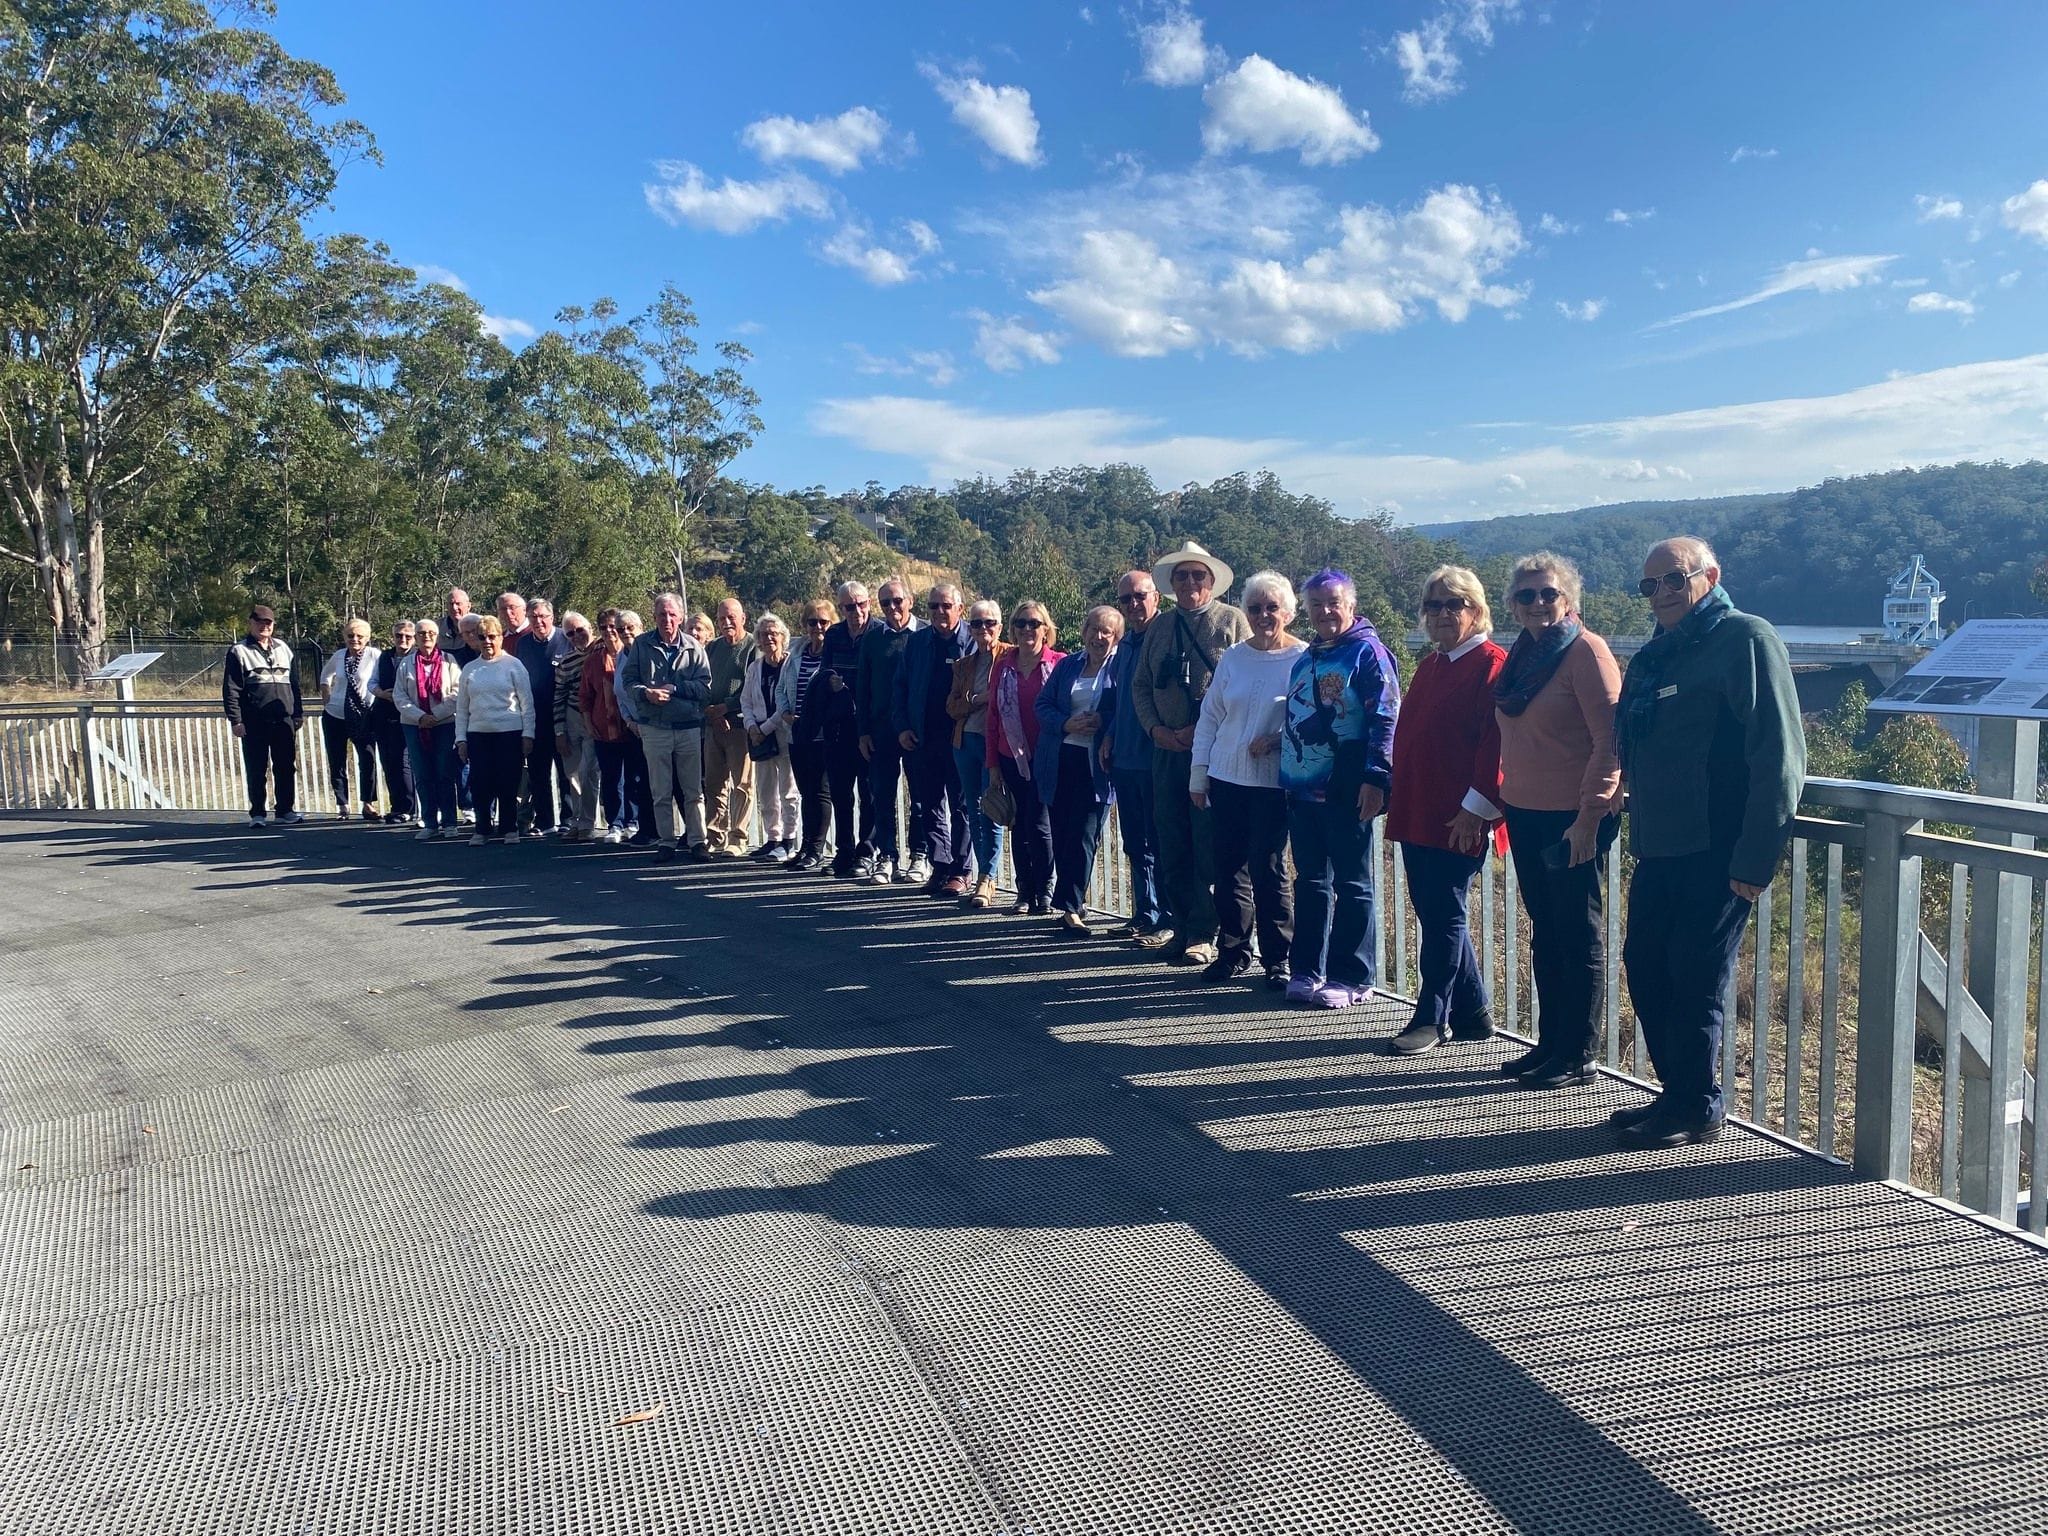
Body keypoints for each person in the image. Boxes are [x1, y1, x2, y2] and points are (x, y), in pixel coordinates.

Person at [1615, 537, 1804, 1149]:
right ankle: (1678, 1094)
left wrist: (1756, 856)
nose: (1662, 594)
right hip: (1660, 844)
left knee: (1695, 978)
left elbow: (1778, 754)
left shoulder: (1745, 638)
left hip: (1717, 846)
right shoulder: (1660, 655)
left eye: (1675, 580)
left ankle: (1694, 1105)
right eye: (1651, 586)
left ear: (1710, 575)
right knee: (1645, 966)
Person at [1491, 553, 1623, 1090]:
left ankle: (1579, 1052)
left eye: (1549, 593)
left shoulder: (1586, 652)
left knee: (1577, 932)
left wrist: (1590, 816)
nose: (1539, 603)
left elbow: (1611, 741)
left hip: (1574, 816)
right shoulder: (1523, 657)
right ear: (1514, 606)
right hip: (1525, 811)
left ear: (1568, 599)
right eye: (1527, 596)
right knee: (1546, 933)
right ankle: (1552, 1044)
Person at [1385, 567, 1508, 1055]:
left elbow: (1495, 744)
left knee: (1443, 913)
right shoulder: (1436, 663)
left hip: (1459, 816)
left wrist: (1476, 810)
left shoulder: (1490, 664)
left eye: (1452, 604)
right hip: (1419, 805)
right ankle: (1474, 1012)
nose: (1440, 614)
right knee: (1439, 911)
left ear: (1476, 610)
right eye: (1433, 605)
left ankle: (1431, 1016)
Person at [1280, 569, 1400, 1009]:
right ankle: (1307, 969)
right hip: (1302, 789)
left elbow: (1386, 716)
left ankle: (1353, 976)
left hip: (1347, 785)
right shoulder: (1307, 656)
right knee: (1310, 880)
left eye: (1334, 603)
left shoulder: (1367, 653)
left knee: (1352, 882)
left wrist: (1376, 778)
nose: (1326, 612)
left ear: (1350, 605)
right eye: (1317, 604)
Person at [1132, 541, 1251, 966]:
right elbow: (1141, 687)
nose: (1189, 583)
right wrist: (1156, 730)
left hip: (1214, 755)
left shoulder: (1233, 622)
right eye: (1181, 576)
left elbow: (1246, 685)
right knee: (1171, 841)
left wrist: (1198, 731)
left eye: (1197, 575)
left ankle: (1207, 931)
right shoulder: (1160, 628)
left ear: (1211, 581)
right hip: (1166, 751)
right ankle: (1181, 925)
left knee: (1208, 844)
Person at [1189, 572, 1304, 985]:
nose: (1263, 615)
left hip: (1273, 783)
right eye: (1254, 608)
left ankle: (1278, 958)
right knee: (1228, 868)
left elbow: (1310, 720)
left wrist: (1276, 740)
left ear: (1288, 612)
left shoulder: (1303, 658)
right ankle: (1234, 950)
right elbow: (1211, 718)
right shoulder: (1234, 657)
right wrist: (1199, 775)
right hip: (1226, 776)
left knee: (1268, 867)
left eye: (1272, 607)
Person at [1036, 604, 1122, 935]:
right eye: (1094, 629)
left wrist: (1104, 722)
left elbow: (1126, 708)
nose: (1099, 637)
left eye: (1107, 631)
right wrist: (1066, 722)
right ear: (1083, 631)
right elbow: (1042, 705)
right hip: (1060, 759)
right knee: (1061, 832)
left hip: (1096, 764)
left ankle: (1069, 906)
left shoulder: (1121, 668)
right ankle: (1072, 902)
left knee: (1085, 834)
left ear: (1117, 637)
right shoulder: (1068, 664)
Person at [620, 592, 713, 863]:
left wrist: (677, 688)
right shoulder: (641, 645)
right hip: (654, 726)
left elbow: (705, 687)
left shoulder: (694, 647)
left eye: (672, 615)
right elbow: (628, 681)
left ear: (681, 617)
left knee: (693, 790)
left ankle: (698, 841)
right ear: (654, 617)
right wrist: (645, 693)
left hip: (688, 727)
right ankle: (666, 841)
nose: (667, 620)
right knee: (660, 790)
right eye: (662, 615)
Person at [893, 583, 973, 897]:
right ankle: (940, 866)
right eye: (934, 606)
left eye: (946, 606)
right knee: (929, 805)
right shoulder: (916, 643)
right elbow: (899, 689)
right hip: (922, 738)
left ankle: (961, 870)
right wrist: (902, 727)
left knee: (962, 806)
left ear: (960, 609)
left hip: (960, 739)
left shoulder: (972, 642)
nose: (940, 612)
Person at [1102, 570, 1168, 947]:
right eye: (1125, 600)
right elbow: (1118, 701)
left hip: (1156, 758)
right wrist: (1109, 736)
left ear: (1156, 597)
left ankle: (1168, 917)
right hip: (1125, 759)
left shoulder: (1165, 638)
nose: (1133, 605)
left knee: (1161, 843)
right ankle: (1145, 912)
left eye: (1140, 596)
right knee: (1134, 843)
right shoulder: (1125, 645)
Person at [987, 602, 1064, 916]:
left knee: (1041, 825)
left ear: (1046, 628)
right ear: (1013, 630)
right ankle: (1024, 891)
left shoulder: (1061, 664)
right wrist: (992, 766)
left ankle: (1045, 891)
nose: (1027, 630)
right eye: (1021, 624)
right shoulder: (1002, 666)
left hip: (1047, 758)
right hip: (1010, 758)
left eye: (1034, 623)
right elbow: (993, 718)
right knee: (1018, 825)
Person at [856, 576, 923, 885]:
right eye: (885, 602)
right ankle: (888, 857)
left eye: (898, 600)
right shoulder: (872, 638)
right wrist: (863, 732)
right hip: (881, 729)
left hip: (916, 730)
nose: (893, 607)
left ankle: (919, 855)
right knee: (881, 795)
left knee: (921, 795)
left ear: (910, 601)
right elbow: (862, 688)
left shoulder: (924, 634)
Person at [947, 599, 1009, 910]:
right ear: (969, 628)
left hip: (994, 743)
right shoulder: (963, 665)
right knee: (973, 809)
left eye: (989, 623)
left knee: (992, 810)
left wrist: (977, 699)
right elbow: (952, 706)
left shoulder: (1010, 656)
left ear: (1000, 626)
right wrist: (978, 699)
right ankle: (985, 872)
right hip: (965, 742)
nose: (983, 628)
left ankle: (988, 875)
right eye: (977, 623)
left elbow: (1004, 698)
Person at [453, 615, 534, 845]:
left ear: (500, 637)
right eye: (482, 637)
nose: (487, 641)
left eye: (492, 636)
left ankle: (509, 828)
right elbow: (462, 707)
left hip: (509, 732)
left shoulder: (514, 665)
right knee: (480, 782)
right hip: (478, 734)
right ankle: (482, 828)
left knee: (508, 782)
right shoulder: (470, 669)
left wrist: (528, 734)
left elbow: (527, 703)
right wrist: (461, 739)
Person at [222, 604, 304, 828]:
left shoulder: (284, 649)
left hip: (283, 719)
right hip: (254, 720)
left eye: (268, 623)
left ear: (273, 625)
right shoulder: (239, 651)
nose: (264, 627)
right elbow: (232, 689)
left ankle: (285, 810)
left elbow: (294, 685)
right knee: (257, 768)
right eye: (259, 622)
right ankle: (258, 813)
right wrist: (236, 720)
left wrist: (298, 713)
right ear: (250, 624)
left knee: (286, 766)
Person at [821, 581, 881, 878]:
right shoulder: (833, 634)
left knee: (868, 793)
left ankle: (866, 852)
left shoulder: (879, 633)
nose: (856, 610)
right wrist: (831, 679)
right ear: (841, 608)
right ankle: (843, 852)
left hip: (868, 725)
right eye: (848, 606)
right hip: (838, 725)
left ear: (869, 603)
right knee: (841, 794)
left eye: (861, 604)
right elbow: (825, 670)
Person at [778, 599, 838, 871]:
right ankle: (805, 847)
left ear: (832, 623)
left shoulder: (834, 655)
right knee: (806, 793)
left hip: (824, 735)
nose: (817, 627)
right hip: (798, 733)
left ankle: (817, 849)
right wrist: (785, 713)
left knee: (821, 793)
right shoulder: (795, 653)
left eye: (823, 622)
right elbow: (781, 689)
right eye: (812, 622)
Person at [395, 619, 464, 840]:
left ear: (437, 636)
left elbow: (457, 693)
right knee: (423, 774)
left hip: (443, 724)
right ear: (415, 636)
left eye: (431, 633)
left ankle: (450, 822)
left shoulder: (449, 661)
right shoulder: (406, 664)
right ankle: (430, 822)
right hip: (414, 725)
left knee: (445, 773)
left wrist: (436, 715)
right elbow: (400, 696)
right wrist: (421, 717)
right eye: (422, 633)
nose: (426, 637)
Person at [740, 613, 800, 861]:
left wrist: (763, 729)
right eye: (764, 635)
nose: (768, 639)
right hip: (760, 738)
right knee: (766, 790)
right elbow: (745, 700)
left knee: (788, 789)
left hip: (783, 734)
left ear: (783, 637)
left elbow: (786, 703)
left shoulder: (790, 665)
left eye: (773, 634)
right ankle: (772, 837)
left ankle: (789, 839)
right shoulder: (755, 667)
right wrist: (752, 726)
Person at [702, 597, 757, 856]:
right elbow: (703, 682)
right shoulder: (712, 648)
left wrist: (727, 708)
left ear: (743, 618)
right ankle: (715, 835)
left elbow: (752, 686)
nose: (726, 623)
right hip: (713, 725)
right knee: (713, 783)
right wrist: (713, 714)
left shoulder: (752, 647)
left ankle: (738, 837)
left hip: (738, 725)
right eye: (722, 618)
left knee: (741, 784)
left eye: (731, 617)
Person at [514, 599, 570, 836]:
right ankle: (545, 821)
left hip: (563, 718)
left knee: (567, 773)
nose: (539, 621)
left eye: (543, 616)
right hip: (534, 718)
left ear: (552, 616)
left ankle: (568, 819)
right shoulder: (523, 644)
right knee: (538, 773)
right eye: (534, 617)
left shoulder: (565, 639)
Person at [580, 609, 636, 844]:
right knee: (611, 779)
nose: (610, 631)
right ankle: (615, 823)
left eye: (614, 626)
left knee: (634, 777)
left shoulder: (634, 655)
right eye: (604, 627)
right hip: (604, 729)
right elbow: (585, 696)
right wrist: (588, 724)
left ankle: (634, 821)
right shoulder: (593, 661)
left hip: (633, 729)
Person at [318, 618, 382, 821]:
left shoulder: (375, 656)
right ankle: (342, 804)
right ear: (344, 637)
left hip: (363, 716)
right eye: (350, 635)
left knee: (367, 759)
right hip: (335, 715)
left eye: (359, 636)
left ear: (367, 638)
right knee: (337, 760)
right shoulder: (339, 656)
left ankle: (368, 803)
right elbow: (324, 677)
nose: (355, 639)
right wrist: (327, 699)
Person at [608, 608, 657, 844]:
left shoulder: (648, 651)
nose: (625, 632)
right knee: (639, 780)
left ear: (641, 627)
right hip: (634, 728)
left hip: (654, 725)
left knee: (654, 780)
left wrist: (644, 722)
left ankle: (658, 831)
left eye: (630, 627)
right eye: (620, 629)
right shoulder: (621, 656)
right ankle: (646, 829)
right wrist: (629, 721)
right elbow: (620, 692)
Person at [552, 611, 597, 842]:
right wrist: (559, 730)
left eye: (580, 630)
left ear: (590, 627)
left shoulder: (603, 650)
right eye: (570, 633)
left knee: (589, 771)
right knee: (572, 775)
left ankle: (588, 823)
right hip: (572, 717)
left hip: (595, 718)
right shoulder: (566, 662)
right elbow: (558, 696)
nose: (577, 636)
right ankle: (576, 822)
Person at [369, 618, 418, 827]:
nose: (403, 640)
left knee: (404, 762)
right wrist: (382, 693)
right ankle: (396, 806)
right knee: (389, 762)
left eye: (408, 636)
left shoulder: (417, 658)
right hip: (384, 714)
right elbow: (372, 683)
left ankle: (409, 808)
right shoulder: (384, 657)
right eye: (399, 636)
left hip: (408, 717)